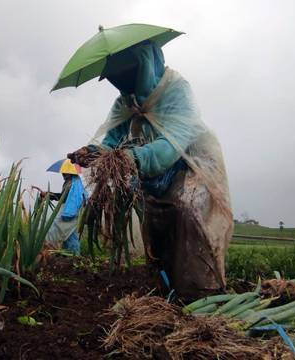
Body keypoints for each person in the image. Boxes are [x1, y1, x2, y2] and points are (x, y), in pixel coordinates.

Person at [68, 41, 233, 300]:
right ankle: (164, 289)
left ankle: (202, 292)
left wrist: (131, 157)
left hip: (190, 167)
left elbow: (172, 145)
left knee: (185, 213)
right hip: (152, 174)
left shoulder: (175, 89)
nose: (125, 84)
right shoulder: (126, 102)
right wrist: (92, 152)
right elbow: (112, 139)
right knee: (154, 222)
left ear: (144, 64)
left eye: (129, 74)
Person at [33, 160, 87, 255]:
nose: (63, 174)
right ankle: (74, 256)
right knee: (70, 234)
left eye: (64, 172)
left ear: (69, 172)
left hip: (70, 212)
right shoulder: (70, 182)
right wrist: (49, 195)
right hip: (72, 211)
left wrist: (49, 195)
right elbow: (63, 196)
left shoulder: (73, 183)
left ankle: (46, 250)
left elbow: (64, 197)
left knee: (56, 230)